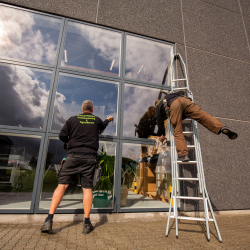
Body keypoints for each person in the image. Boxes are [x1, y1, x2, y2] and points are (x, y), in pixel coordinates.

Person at [40, 100, 113, 234]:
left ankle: (48, 221)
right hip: (90, 158)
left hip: (72, 156)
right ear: (92, 109)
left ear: (82, 109)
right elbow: (102, 126)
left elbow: (62, 135)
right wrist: (108, 119)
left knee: (61, 186)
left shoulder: (72, 119)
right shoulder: (96, 120)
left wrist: (69, 141)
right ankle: (86, 224)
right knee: (87, 189)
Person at [156, 91, 238, 162]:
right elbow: (181, 92)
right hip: (186, 101)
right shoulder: (169, 95)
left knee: (177, 130)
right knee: (203, 116)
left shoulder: (158, 106)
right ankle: (221, 127)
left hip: (174, 105)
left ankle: (183, 155)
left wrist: (162, 134)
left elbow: (160, 122)